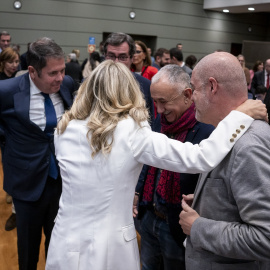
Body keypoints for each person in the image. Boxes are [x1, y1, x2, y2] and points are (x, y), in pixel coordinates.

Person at [46, 60, 265, 270]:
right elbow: (201, 157)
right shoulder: (131, 131)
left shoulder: (63, 129)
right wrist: (238, 117)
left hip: (65, 239)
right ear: (127, 93)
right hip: (111, 246)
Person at [179, 52, 270, 270]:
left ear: (212, 87)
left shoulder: (248, 146)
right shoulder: (227, 132)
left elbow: (265, 237)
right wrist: (207, 200)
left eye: (195, 89)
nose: (191, 98)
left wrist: (198, 227)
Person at [0, 37, 76, 270]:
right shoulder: (6, 91)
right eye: (53, 73)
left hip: (62, 182)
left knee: (59, 247)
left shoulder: (67, 85)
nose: (60, 78)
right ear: (32, 71)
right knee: (28, 250)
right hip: (26, 184)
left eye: (62, 70)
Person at [134, 65, 214, 270]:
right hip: (149, 217)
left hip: (177, 227)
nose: (158, 110)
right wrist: (138, 191)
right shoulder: (160, 122)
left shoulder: (207, 130)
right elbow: (148, 159)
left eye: (164, 102)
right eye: (155, 102)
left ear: (187, 95)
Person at [103, 32, 155, 124]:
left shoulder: (145, 86)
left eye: (122, 57)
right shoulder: (90, 84)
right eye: (111, 56)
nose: (116, 62)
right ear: (104, 55)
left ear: (132, 58)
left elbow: (151, 124)